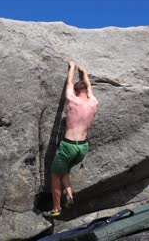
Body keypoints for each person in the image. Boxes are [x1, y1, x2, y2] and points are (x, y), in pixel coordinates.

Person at [44, 60, 98, 218]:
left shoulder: (72, 99)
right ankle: (69, 196)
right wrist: (84, 73)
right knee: (65, 169)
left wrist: (72, 68)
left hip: (68, 145)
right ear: (87, 92)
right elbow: (89, 87)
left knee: (55, 174)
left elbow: (68, 82)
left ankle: (56, 209)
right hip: (82, 148)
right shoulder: (93, 102)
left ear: (75, 91)